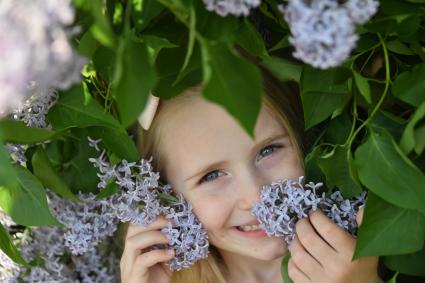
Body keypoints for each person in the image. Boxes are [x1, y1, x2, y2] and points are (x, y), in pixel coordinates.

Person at [119, 68, 383, 283]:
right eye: (211, 176)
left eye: (268, 150)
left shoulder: (373, 254)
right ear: (167, 199)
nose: (256, 195)